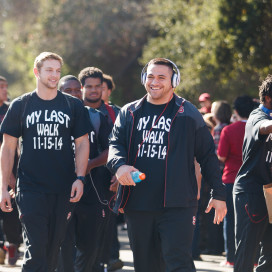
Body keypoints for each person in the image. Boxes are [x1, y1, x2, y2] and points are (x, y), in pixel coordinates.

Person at [107, 58, 227, 272]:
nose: (155, 82)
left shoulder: (189, 114)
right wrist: (119, 166)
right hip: (138, 204)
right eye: (150, 76)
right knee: (145, 266)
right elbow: (115, 144)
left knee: (178, 263)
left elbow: (208, 156)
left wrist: (218, 194)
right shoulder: (129, 112)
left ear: (174, 81)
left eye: (161, 77)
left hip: (178, 205)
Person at [0, 52, 92, 272]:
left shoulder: (73, 106)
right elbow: (8, 147)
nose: (54, 75)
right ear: (36, 72)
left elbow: (82, 143)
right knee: (36, 247)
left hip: (63, 187)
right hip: (30, 188)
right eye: (49, 70)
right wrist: (3, 186)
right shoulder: (21, 105)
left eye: (57, 71)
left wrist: (80, 178)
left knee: (53, 249)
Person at [58, 75, 111, 272]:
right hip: (61, 193)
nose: (73, 94)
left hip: (93, 192)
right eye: (67, 91)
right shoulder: (52, 117)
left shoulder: (95, 116)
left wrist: (89, 165)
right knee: (63, 245)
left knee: (89, 247)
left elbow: (111, 149)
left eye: (75, 90)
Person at [79, 67, 119, 271]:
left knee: (100, 237)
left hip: (104, 185)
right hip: (72, 186)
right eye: (89, 87)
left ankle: (105, 263)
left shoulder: (116, 113)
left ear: (104, 87)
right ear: (82, 88)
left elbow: (122, 148)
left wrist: (118, 175)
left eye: (98, 86)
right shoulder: (73, 111)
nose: (94, 91)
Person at [233, 75, 272, 272]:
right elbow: (263, 128)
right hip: (252, 191)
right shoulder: (258, 116)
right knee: (247, 251)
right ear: (267, 98)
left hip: (270, 191)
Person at [217, 95, 256, 268]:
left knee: (230, 220)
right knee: (253, 221)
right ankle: (253, 258)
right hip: (254, 180)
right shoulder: (259, 129)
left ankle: (231, 257)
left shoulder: (229, 130)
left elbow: (222, 156)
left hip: (231, 179)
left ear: (236, 111)